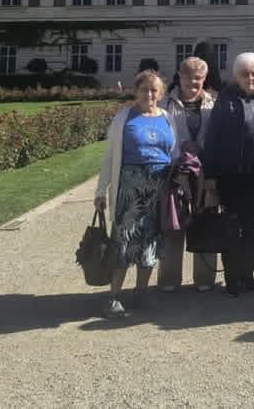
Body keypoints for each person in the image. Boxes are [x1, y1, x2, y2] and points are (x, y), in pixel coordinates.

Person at [94, 70, 175, 316]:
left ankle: (141, 292)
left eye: (154, 90)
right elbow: (110, 156)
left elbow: (174, 152)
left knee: (151, 242)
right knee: (124, 241)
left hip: (158, 189)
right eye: (144, 89)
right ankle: (113, 296)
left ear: (161, 93)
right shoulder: (124, 118)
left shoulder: (167, 118)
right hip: (130, 190)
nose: (149, 94)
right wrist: (101, 190)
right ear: (136, 91)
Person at [201, 52, 254, 296]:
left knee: (252, 227)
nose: (250, 78)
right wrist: (210, 174)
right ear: (236, 76)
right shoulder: (225, 101)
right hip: (230, 175)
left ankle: (248, 274)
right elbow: (212, 139)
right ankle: (233, 277)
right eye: (245, 74)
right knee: (231, 226)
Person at [157, 56, 218, 293]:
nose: (193, 82)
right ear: (179, 76)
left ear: (204, 78)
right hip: (176, 173)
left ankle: (204, 278)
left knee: (206, 222)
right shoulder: (165, 103)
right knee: (174, 224)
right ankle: (169, 278)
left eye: (198, 78)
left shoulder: (213, 103)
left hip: (205, 172)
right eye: (188, 77)